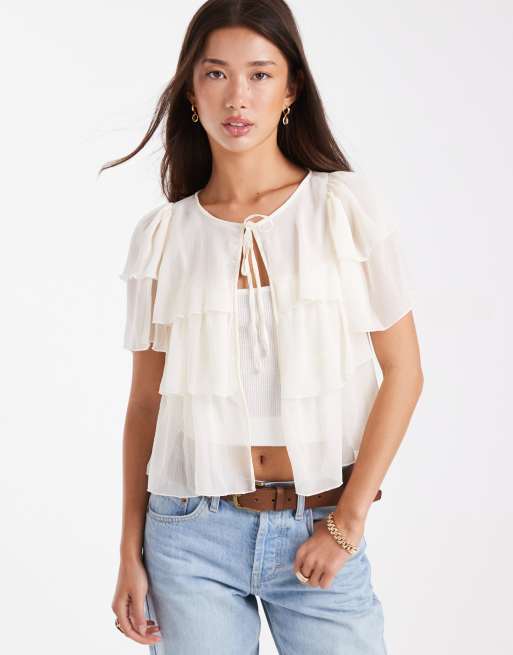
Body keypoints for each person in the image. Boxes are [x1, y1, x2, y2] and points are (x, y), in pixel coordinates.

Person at [103, 1, 424, 653]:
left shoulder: (343, 208)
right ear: (191, 92)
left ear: (291, 88)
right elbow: (145, 405)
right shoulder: (162, 236)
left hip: (321, 523)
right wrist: (129, 553)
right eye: (215, 74)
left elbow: (404, 372)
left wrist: (347, 522)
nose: (237, 97)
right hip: (188, 534)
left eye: (259, 74)